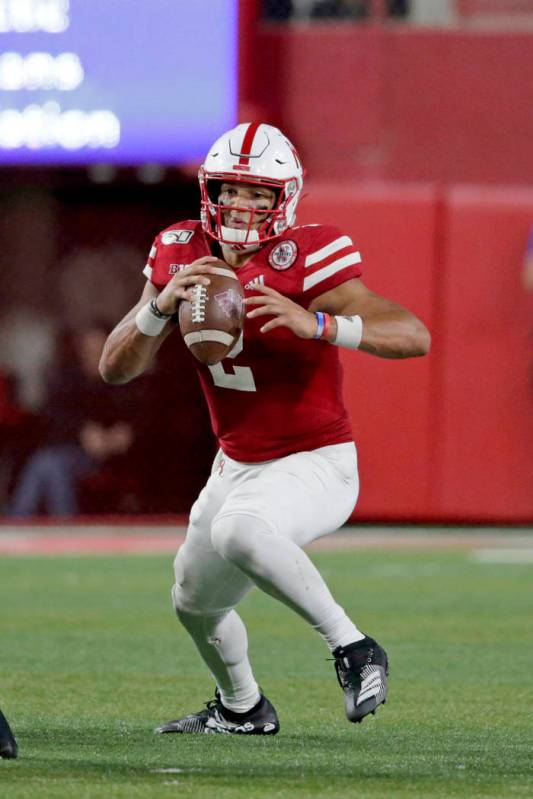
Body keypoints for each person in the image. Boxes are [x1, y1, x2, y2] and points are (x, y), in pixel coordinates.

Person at [100, 122, 430, 735]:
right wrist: (158, 306)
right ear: (209, 191)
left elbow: (414, 335)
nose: (240, 206)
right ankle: (242, 707)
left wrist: (322, 327)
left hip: (315, 461)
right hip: (235, 464)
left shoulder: (309, 254)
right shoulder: (179, 249)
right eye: (230, 190)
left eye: (258, 194)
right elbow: (114, 368)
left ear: (287, 198)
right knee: (194, 602)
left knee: (241, 532)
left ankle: (354, 648)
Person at [9, 324, 142, 517]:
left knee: (46, 464)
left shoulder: (125, 379)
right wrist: (83, 432)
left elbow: (139, 421)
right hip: (72, 454)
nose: (93, 355)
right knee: (48, 464)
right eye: (89, 351)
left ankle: (28, 525)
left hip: (116, 460)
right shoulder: (68, 380)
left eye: (99, 350)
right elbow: (53, 420)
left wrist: (121, 435)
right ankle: (37, 522)